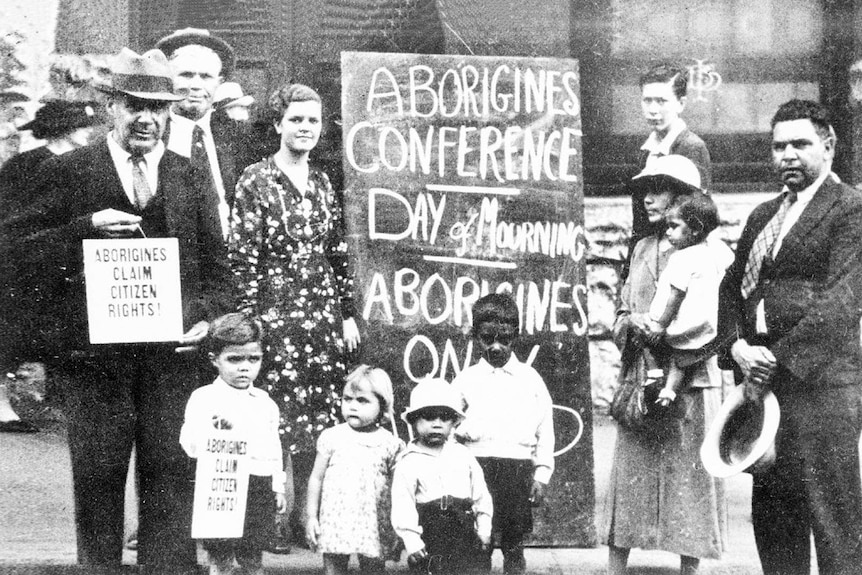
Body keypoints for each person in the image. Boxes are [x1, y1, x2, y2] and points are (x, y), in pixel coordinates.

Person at [6, 47, 231, 574]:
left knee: (171, 475)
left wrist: (203, 316)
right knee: (98, 478)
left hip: (171, 360)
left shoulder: (187, 173)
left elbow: (218, 271)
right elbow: (14, 251)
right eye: (133, 105)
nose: (146, 118)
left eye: (158, 107)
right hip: (93, 362)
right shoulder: (70, 170)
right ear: (111, 107)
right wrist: (82, 227)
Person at [717, 99, 862, 575]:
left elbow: (841, 306)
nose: (788, 156)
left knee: (834, 524)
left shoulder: (850, 210)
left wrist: (771, 360)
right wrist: (735, 345)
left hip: (824, 393)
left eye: (800, 144)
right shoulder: (763, 216)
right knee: (776, 524)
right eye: (779, 147)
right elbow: (730, 287)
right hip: (766, 394)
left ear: (829, 145)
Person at [229, 82, 360, 546]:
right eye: (296, 120)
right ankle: (268, 525)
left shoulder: (323, 182)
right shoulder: (255, 179)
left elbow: (337, 251)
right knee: (275, 418)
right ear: (278, 124)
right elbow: (243, 254)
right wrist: (250, 322)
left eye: (313, 121)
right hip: (275, 313)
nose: (305, 128)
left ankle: (307, 521)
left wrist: (346, 313)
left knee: (317, 416)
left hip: (321, 311)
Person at [601, 155, 727, 575]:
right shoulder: (639, 248)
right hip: (640, 375)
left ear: (685, 199)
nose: (650, 199)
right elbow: (620, 311)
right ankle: (616, 566)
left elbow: (720, 317)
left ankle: (690, 567)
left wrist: (678, 339)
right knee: (630, 475)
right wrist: (631, 325)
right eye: (646, 190)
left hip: (691, 377)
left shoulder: (712, 254)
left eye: (660, 189)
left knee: (689, 477)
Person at [451, 293, 555, 575]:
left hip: (517, 469)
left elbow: (545, 428)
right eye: (487, 338)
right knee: (478, 539)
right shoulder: (466, 380)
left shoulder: (530, 380)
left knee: (513, 540)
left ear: (516, 335)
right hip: (477, 466)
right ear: (475, 336)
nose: (496, 346)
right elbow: (449, 426)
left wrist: (541, 474)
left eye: (505, 339)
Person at [180, 313, 288, 575]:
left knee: (253, 555)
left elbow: (273, 449)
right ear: (215, 360)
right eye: (234, 359)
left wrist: (278, 486)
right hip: (221, 485)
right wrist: (211, 430)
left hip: (257, 487)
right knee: (220, 555)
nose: (245, 367)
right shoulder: (204, 398)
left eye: (254, 359)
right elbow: (189, 444)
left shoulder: (265, 403)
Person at [305, 365, 403, 575]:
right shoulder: (332, 437)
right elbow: (316, 478)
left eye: (363, 400)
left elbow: (398, 489)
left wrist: (399, 526)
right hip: (336, 519)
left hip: (373, 522)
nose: (352, 406)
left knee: (373, 568)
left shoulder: (390, 443)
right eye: (347, 399)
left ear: (382, 406)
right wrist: (311, 516)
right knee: (333, 567)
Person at [156, 27, 252, 240]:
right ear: (167, 80)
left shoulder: (237, 137)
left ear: (219, 83)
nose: (196, 86)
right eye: (186, 75)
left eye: (206, 77)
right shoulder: (153, 135)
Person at [392, 377, 493, 575]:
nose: (437, 424)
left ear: (454, 421)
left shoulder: (462, 455)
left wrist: (484, 529)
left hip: (464, 531)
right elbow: (403, 504)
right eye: (429, 417)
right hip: (430, 534)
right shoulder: (409, 461)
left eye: (445, 417)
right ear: (413, 420)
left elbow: (481, 494)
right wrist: (412, 542)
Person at [641, 192, 732, 405]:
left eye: (674, 226)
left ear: (695, 229)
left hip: (683, 321)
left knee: (646, 334)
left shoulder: (682, 258)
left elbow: (675, 295)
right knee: (682, 359)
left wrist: (660, 325)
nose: (668, 231)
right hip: (707, 324)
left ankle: (654, 373)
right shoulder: (717, 250)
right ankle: (669, 392)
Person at [624, 63, 712, 280]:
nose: (653, 109)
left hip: (679, 262)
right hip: (648, 258)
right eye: (647, 100)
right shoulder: (646, 152)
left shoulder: (691, 147)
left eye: (662, 101)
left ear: (681, 104)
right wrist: (631, 270)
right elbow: (640, 223)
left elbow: (696, 219)